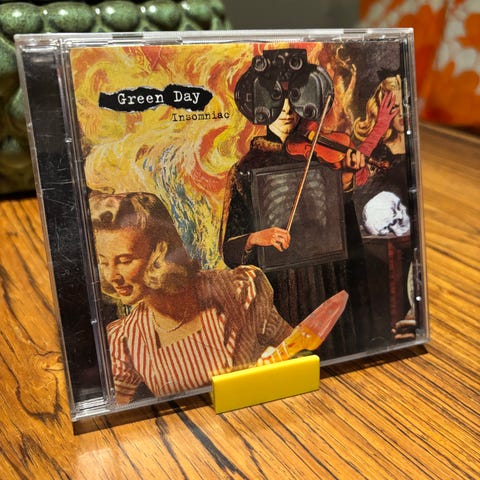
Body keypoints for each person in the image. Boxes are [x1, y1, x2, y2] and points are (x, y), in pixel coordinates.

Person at [89, 191, 293, 404]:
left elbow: (295, 349)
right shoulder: (126, 339)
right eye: (104, 262)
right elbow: (114, 413)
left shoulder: (237, 290)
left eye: (124, 260)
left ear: (159, 253)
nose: (112, 276)